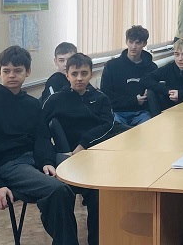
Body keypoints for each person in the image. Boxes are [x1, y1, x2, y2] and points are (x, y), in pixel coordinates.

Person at [0, 46, 78, 245]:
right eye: (6, 71)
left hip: (33, 159)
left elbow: (42, 138)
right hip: (7, 165)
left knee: (80, 173)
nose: (11, 75)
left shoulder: (32, 104)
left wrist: (46, 161)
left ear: (28, 72)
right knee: (57, 190)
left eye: (17, 70)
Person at [43, 53, 118, 245]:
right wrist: (48, 159)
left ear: (91, 74)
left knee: (101, 194)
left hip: (94, 157)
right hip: (65, 159)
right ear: (67, 75)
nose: (79, 78)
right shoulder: (55, 100)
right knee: (56, 196)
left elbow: (108, 125)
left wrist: (83, 143)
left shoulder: (100, 98)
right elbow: (41, 131)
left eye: (84, 73)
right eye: (74, 74)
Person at [100, 25, 157, 127]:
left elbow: (156, 93)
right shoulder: (111, 66)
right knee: (116, 128)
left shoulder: (151, 68)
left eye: (138, 43)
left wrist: (150, 92)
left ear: (144, 43)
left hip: (141, 113)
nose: (133, 46)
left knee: (148, 127)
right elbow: (106, 95)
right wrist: (134, 101)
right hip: (117, 112)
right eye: (131, 42)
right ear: (126, 42)